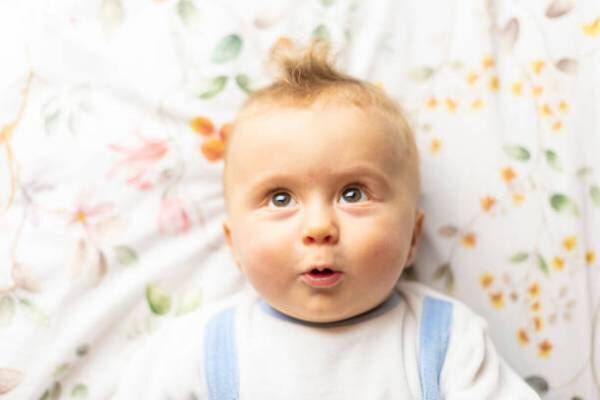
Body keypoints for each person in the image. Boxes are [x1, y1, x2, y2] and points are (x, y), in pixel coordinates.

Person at [113, 40, 540, 399]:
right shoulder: (195, 352)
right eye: (280, 198)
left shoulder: (446, 341)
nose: (319, 227)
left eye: (353, 194)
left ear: (413, 236)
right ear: (233, 243)